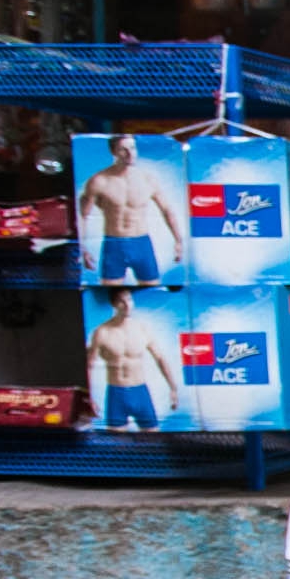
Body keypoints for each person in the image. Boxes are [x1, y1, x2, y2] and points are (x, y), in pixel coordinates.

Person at [78, 134, 186, 285]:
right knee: (109, 293)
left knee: (151, 291)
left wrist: (178, 240)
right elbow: (82, 216)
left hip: (142, 243)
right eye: (123, 149)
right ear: (113, 152)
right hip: (114, 244)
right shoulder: (99, 181)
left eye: (132, 148)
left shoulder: (148, 179)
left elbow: (167, 210)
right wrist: (82, 248)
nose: (130, 154)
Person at [86, 289, 182, 432]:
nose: (127, 305)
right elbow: (89, 365)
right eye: (121, 301)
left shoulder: (142, 328)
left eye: (129, 300)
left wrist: (173, 388)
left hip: (140, 392)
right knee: (116, 443)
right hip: (116, 394)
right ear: (114, 304)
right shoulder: (102, 332)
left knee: (153, 439)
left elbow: (160, 358)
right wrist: (88, 397)